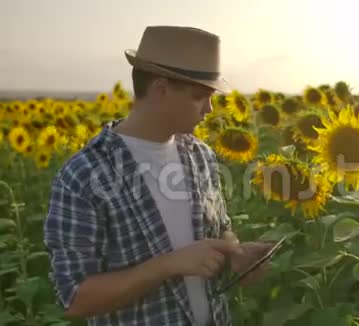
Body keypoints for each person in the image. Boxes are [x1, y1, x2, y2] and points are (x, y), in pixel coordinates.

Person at [43, 25, 272, 326]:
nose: (209, 108)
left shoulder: (200, 155)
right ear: (161, 89)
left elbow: (221, 229)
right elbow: (75, 298)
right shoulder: (85, 174)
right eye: (199, 96)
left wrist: (235, 253)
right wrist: (168, 265)